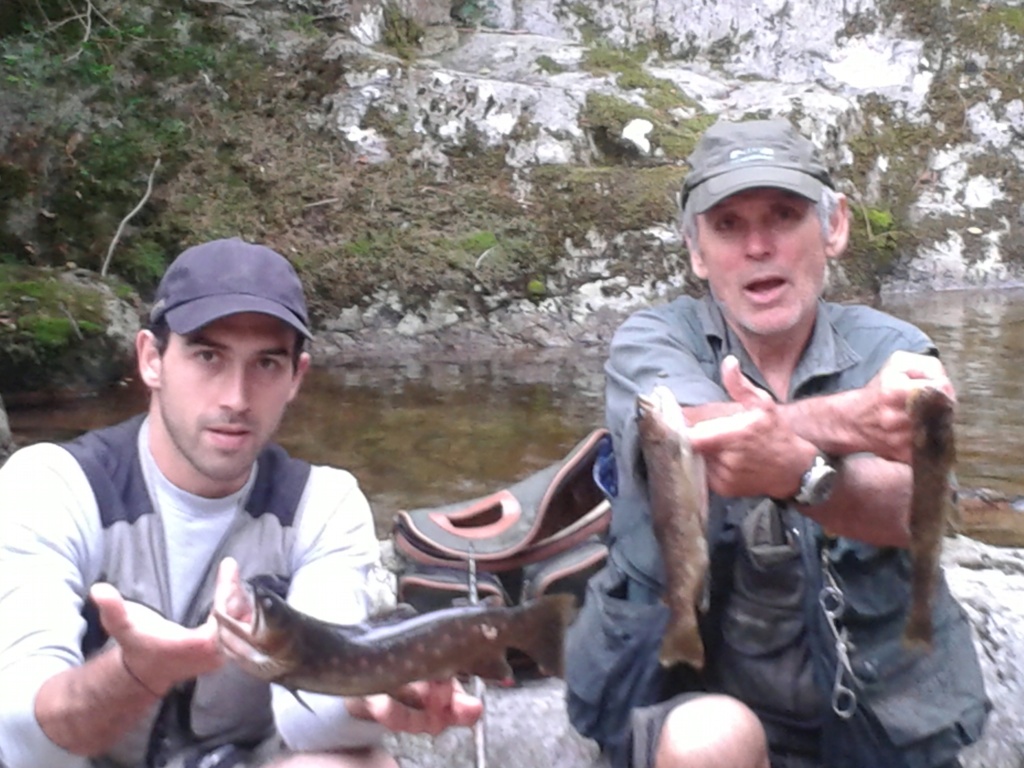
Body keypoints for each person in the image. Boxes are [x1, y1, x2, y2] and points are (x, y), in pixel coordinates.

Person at [564, 119, 990, 768]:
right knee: (711, 740)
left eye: (785, 216)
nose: (758, 245)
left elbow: (920, 509)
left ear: (834, 227)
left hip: (878, 712)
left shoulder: (895, 350)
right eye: (728, 225)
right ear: (696, 250)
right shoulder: (651, 340)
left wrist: (803, 472)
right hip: (681, 700)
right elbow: (693, 438)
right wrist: (849, 422)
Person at [0, 238, 482, 768]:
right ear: (151, 360)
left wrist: (372, 690)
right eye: (208, 356)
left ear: (297, 377)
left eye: (266, 364)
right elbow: (22, 737)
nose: (236, 396)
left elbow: (308, 723)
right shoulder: (53, 484)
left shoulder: (322, 505)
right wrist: (136, 672)